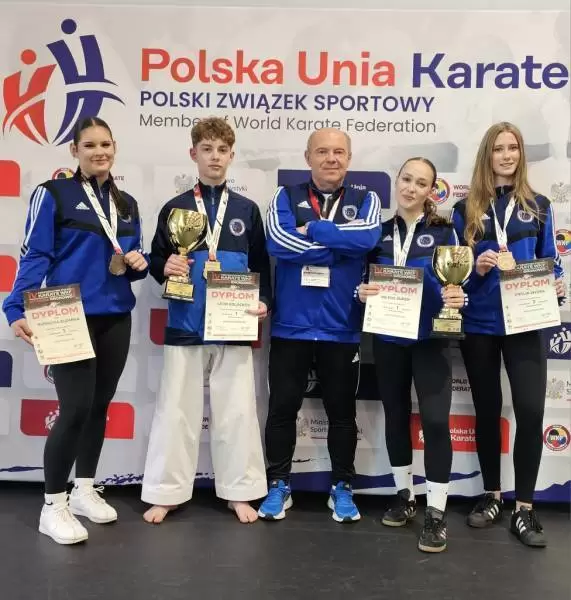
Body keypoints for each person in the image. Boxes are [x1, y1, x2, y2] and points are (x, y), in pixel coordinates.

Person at [2, 116, 149, 545]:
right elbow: (36, 253)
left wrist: (138, 264)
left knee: (99, 406)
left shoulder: (127, 203)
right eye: (90, 145)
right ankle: (52, 505)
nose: (99, 152)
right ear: (74, 151)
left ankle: (84, 489)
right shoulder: (53, 194)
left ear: (114, 147)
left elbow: (129, 262)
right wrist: (14, 306)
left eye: (106, 144)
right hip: (65, 315)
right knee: (75, 409)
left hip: (115, 315)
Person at [141, 117, 271, 524]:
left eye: (222, 150)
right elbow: (156, 259)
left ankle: (240, 492)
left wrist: (264, 301)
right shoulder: (175, 207)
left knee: (237, 411)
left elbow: (261, 265)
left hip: (233, 322)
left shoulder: (247, 210)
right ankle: (166, 492)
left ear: (232, 156)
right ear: (193, 153)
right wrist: (166, 265)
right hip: (186, 320)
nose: (215, 157)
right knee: (176, 410)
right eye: (207, 149)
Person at [451, 122, 566, 548]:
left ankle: (525, 507)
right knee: (486, 410)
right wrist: (476, 267)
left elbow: (549, 259)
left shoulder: (538, 205)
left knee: (531, 412)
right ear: (488, 155)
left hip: (526, 321)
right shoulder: (465, 209)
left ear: (520, 154)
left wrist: (555, 282)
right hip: (480, 322)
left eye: (513, 147)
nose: (506, 155)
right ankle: (492, 495)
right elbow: (454, 272)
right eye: (498, 148)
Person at [258, 128, 381, 523]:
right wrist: (337, 250)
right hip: (291, 326)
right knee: (282, 409)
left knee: (342, 413)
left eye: (339, 152)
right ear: (308, 157)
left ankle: (342, 486)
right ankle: (278, 483)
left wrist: (313, 230)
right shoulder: (284, 196)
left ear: (349, 158)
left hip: (340, 327)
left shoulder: (366, 199)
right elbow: (277, 241)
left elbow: (367, 238)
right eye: (323, 151)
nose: (331, 158)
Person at [358, 157, 466, 553]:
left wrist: (458, 296)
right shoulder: (376, 233)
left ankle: (436, 512)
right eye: (406, 179)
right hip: (389, 339)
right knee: (396, 416)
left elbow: (459, 284)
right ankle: (404, 497)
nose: (411, 188)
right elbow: (360, 279)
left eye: (421, 183)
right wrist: (360, 292)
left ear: (431, 191)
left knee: (435, 422)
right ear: (397, 181)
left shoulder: (444, 231)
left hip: (430, 339)